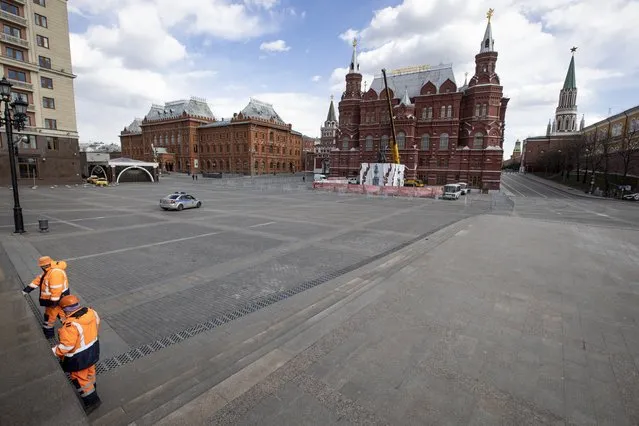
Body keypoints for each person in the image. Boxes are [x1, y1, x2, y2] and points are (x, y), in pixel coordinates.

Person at [53, 295, 101, 414]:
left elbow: (67, 346)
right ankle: (93, 388)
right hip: (93, 349)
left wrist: (54, 351)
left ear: (65, 309)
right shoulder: (91, 312)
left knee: (80, 380)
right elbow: (97, 323)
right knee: (90, 372)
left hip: (79, 359)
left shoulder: (70, 325)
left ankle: (92, 401)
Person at [22, 256, 69, 338]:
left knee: (49, 318)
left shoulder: (55, 273)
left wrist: (53, 303)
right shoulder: (49, 270)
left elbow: (56, 289)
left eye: (41, 266)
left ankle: (49, 335)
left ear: (43, 266)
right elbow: (39, 279)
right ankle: (68, 328)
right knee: (62, 314)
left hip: (54, 300)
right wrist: (27, 290)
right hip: (59, 299)